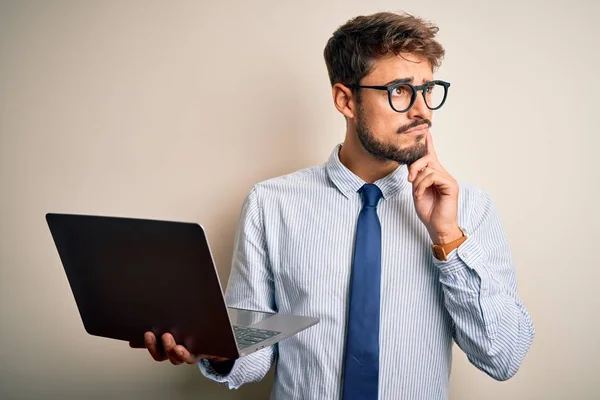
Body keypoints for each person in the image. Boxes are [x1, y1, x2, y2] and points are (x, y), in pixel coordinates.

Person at [134, 11, 534, 399]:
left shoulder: (470, 210)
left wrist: (447, 238)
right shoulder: (271, 205)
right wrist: (219, 352)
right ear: (345, 100)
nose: (421, 110)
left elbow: (503, 357)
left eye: (428, 89)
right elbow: (255, 352)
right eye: (399, 90)